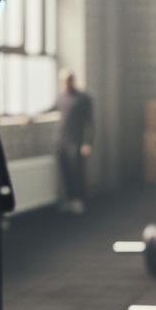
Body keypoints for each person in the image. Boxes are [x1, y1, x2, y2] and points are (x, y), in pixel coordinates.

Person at [56, 69, 93, 215]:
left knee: (77, 172)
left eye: (69, 80)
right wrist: (32, 116)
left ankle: (79, 200)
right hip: (62, 140)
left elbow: (90, 123)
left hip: (77, 141)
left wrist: (87, 142)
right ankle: (69, 200)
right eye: (64, 81)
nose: (67, 83)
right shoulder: (60, 97)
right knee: (65, 172)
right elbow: (50, 107)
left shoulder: (83, 98)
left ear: (73, 80)